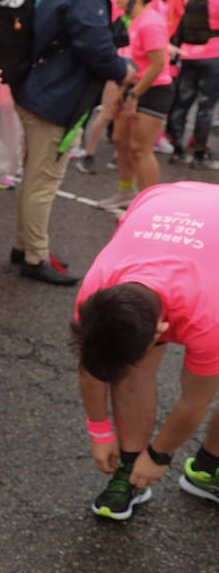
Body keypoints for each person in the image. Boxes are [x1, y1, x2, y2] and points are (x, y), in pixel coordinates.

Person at [73, 182, 219, 521]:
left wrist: (159, 456)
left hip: (205, 265)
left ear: (162, 333)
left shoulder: (208, 316)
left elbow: (196, 399)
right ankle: (129, 466)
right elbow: (93, 363)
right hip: (166, 198)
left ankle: (208, 466)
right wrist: (99, 430)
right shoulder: (94, 294)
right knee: (133, 372)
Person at [10, 0, 130, 286]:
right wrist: (121, 68)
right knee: (44, 180)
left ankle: (25, 244)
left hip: (36, 87)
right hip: (57, 96)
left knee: (34, 175)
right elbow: (96, 49)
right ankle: (35, 255)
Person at [97, 0, 175, 213]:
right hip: (132, 87)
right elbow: (131, 61)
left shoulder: (151, 22)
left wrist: (133, 95)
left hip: (153, 90)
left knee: (141, 149)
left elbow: (156, 66)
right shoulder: (132, 20)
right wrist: (123, 92)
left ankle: (148, 207)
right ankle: (126, 193)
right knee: (120, 141)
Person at [168, 0, 219, 170]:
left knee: (182, 103)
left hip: (187, 54)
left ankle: (177, 148)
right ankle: (199, 152)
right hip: (213, 56)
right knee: (206, 106)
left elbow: (182, 25)